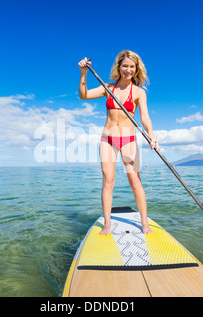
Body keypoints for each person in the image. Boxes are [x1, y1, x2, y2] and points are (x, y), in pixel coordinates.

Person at [78, 50, 160, 235]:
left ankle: (144, 223)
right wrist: (83, 73)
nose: (128, 70)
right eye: (125, 66)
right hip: (108, 138)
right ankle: (107, 223)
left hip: (128, 139)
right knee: (108, 180)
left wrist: (152, 135)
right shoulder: (107, 87)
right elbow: (84, 95)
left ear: (136, 69)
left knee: (135, 181)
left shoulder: (139, 92)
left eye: (132, 66)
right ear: (119, 67)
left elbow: (145, 117)